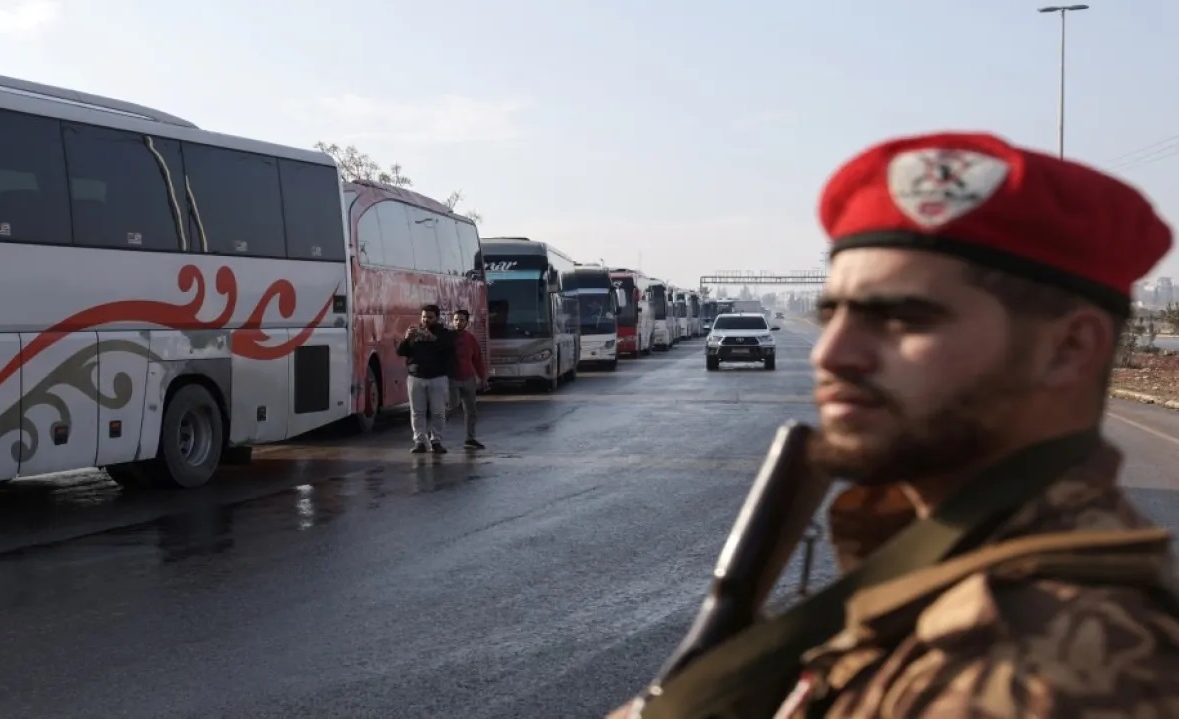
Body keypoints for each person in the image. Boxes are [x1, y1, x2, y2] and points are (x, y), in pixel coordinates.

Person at [606, 131, 1179, 718]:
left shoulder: (1042, 674)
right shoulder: (945, 575)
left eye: (904, 317)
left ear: (1069, 349)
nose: (831, 354)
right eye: (834, 314)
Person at [396, 304, 456, 454]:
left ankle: (436, 441)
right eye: (424, 317)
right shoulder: (415, 332)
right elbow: (401, 352)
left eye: (430, 317)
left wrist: (433, 338)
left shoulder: (444, 334)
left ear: (437, 318)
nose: (426, 320)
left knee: (438, 412)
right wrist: (406, 338)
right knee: (417, 412)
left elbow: (449, 349)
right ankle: (420, 441)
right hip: (416, 377)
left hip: (437, 377)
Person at [447, 309, 488, 449]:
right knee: (452, 407)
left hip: (469, 378)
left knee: (471, 410)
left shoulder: (470, 339)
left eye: (461, 320)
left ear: (466, 322)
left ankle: (470, 438)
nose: (458, 323)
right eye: (456, 320)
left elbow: (477, 359)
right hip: (452, 378)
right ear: (452, 321)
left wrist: (482, 377)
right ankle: (434, 435)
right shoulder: (448, 338)